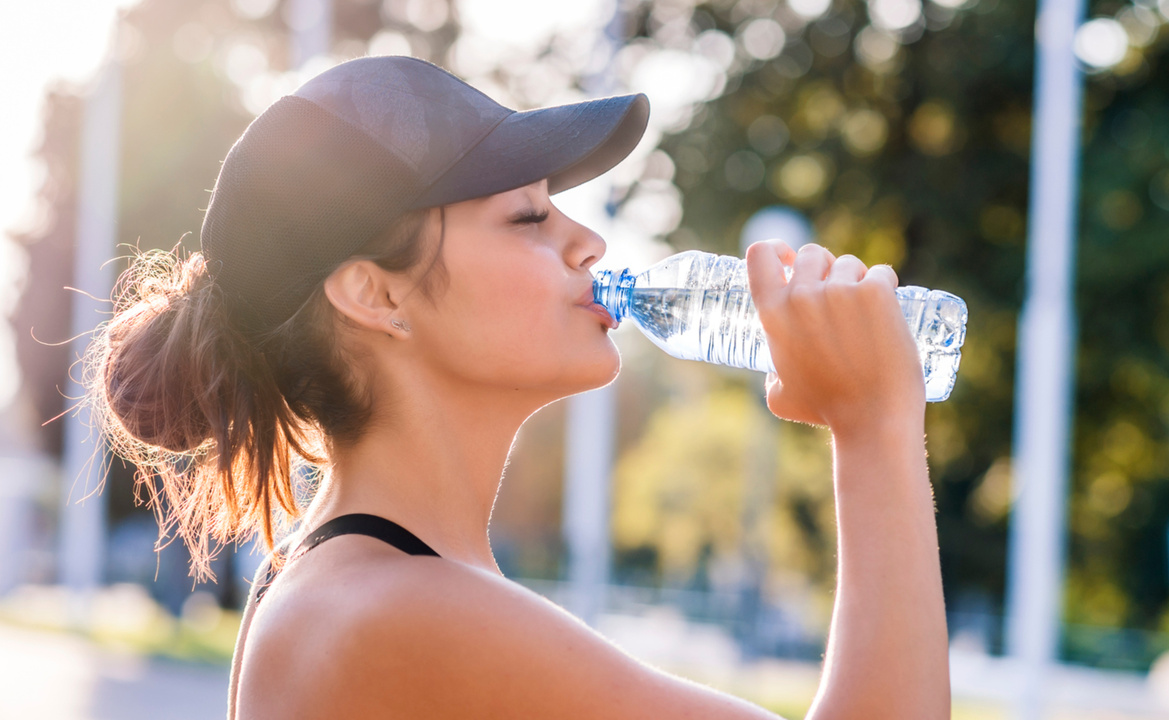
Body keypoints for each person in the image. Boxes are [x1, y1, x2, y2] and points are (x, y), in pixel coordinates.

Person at [88, 56, 949, 719]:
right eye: (530, 216)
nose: (589, 245)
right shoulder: (389, 609)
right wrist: (873, 427)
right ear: (374, 293)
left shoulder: (372, 582)